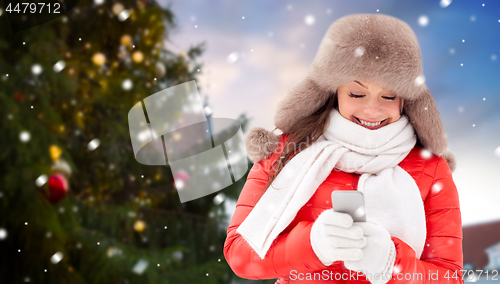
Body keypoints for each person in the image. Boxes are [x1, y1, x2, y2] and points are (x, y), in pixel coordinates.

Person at [224, 13, 463, 284]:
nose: (372, 110)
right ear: (332, 92)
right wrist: (312, 244)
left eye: (388, 96)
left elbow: (450, 276)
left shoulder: (431, 170)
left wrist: (391, 262)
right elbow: (239, 255)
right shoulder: (286, 152)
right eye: (357, 94)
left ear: (405, 100)